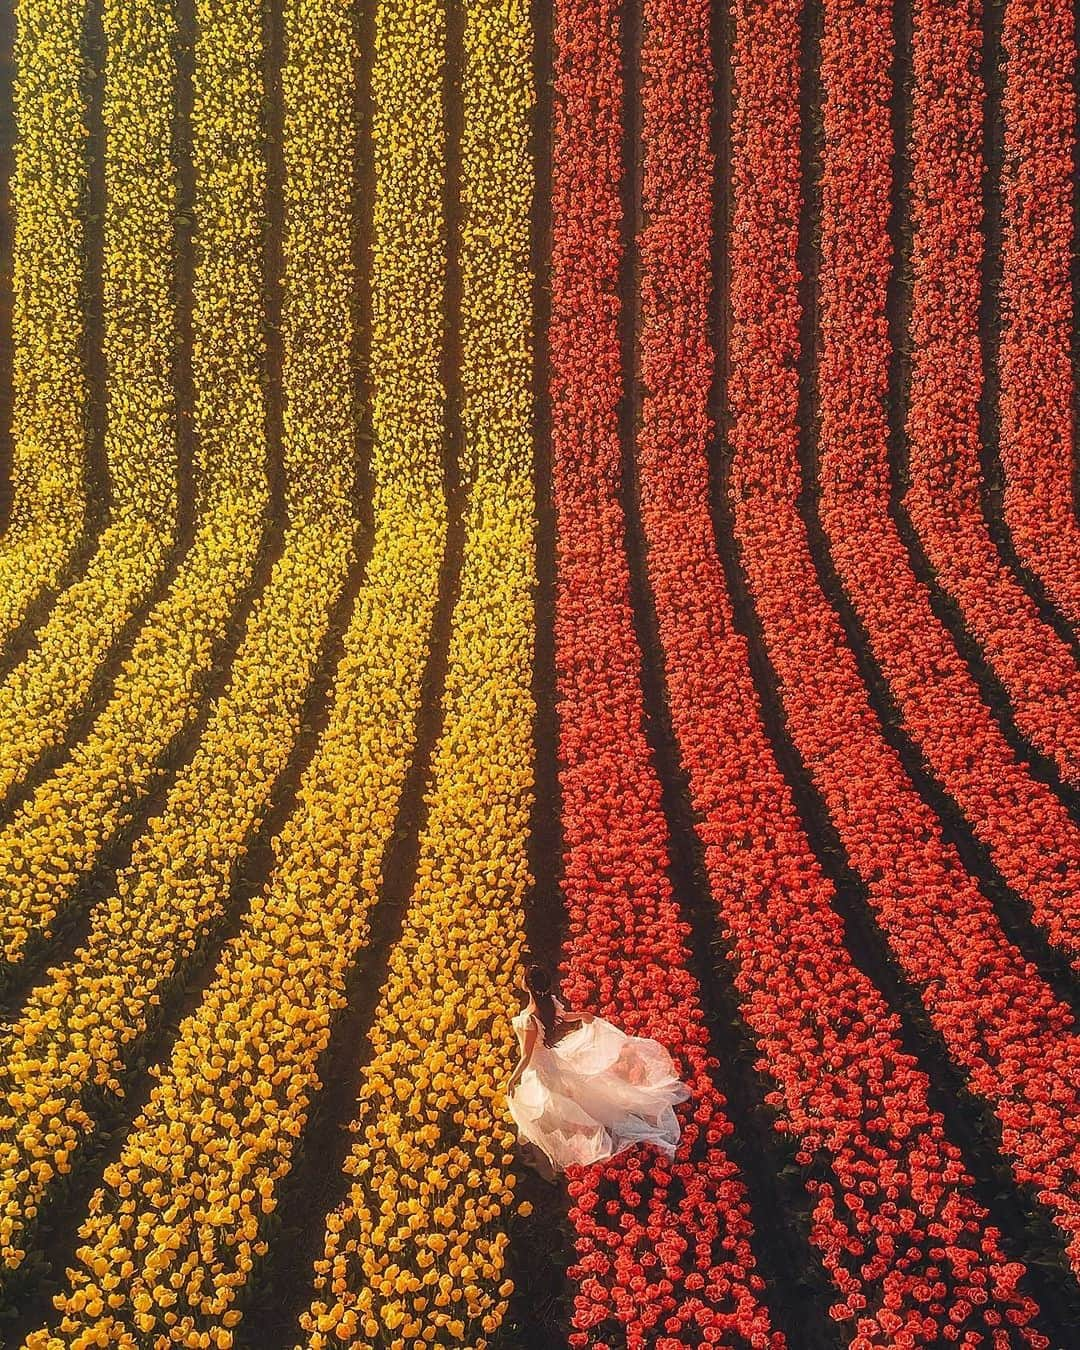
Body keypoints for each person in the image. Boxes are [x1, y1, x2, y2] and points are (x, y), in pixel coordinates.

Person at [505, 963, 692, 1179]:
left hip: (539, 1067)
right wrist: (584, 1016)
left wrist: (513, 1078)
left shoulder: (529, 1019)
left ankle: (560, 1141)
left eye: (522, 977)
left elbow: (527, 1055)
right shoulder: (549, 1005)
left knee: (544, 1103)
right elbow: (567, 1017)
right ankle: (554, 1135)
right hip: (550, 1061)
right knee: (560, 1099)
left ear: (528, 986)